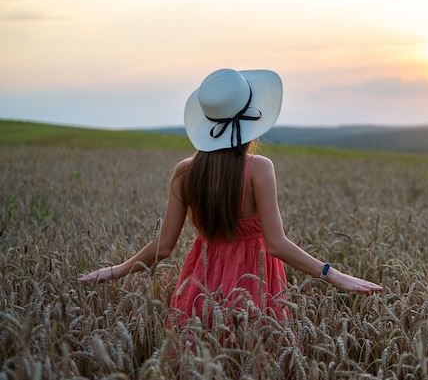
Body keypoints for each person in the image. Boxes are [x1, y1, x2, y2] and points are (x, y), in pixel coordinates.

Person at [78, 68, 383, 326]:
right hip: (254, 285)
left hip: (200, 286)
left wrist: (116, 270)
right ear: (252, 120)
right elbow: (276, 244)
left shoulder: (185, 172)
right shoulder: (258, 169)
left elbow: (164, 246)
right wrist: (332, 274)